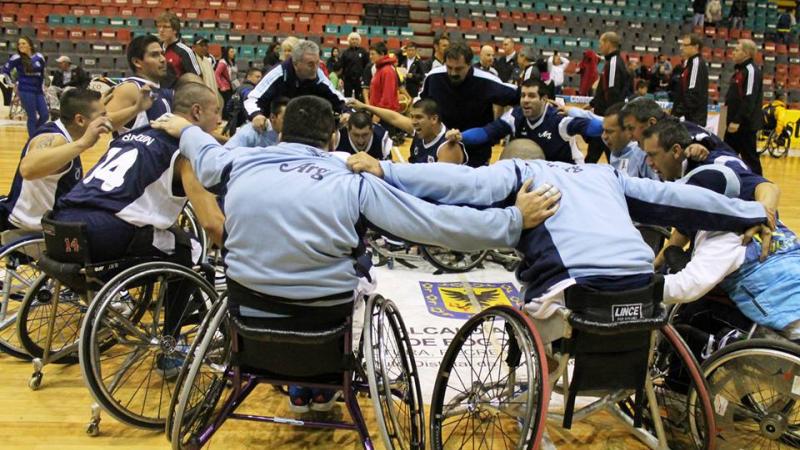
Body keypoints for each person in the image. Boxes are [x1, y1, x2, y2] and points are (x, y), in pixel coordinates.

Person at [151, 94, 556, 412]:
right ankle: (318, 382)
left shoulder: (238, 163)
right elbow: (434, 224)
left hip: (249, 322)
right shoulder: (350, 178)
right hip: (324, 327)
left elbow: (202, 151)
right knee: (363, 271)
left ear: (280, 134)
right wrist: (513, 221)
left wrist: (185, 127)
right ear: (332, 139)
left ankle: (294, 386)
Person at [346, 136, 770, 328]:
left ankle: (541, 377)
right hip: (643, 291)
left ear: (511, 159)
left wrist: (388, 169)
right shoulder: (606, 174)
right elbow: (679, 198)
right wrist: (748, 212)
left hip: (576, 295)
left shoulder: (517, 172)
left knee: (533, 314)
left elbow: (459, 182)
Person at [663, 168, 800, 340]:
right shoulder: (768, 219)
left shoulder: (721, 234)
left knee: (692, 317)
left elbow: (686, 287)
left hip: (790, 320)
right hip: (790, 294)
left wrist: (639, 287)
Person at [0, 89, 111, 232]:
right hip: (32, 229)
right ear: (80, 120)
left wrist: (137, 107)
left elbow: (105, 120)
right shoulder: (55, 139)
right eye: (103, 115)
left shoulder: (65, 130)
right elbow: (27, 169)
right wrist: (83, 143)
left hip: (41, 221)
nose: (107, 119)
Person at [419, 41, 520, 167]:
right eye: (449, 68)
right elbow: (420, 105)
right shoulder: (434, 77)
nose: (453, 73)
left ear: (469, 64)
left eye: (459, 69)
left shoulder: (487, 81)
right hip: (442, 148)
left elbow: (521, 98)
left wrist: (498, 127)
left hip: (476, 151)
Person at [455, 78, 600, 164]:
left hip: (567, 173)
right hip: (535, 175)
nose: (525, 100)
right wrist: (461, 136)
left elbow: (589, 126)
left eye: (531, 96)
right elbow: (486, 132)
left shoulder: (558, 118)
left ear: (543, 99)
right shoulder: (515, 117)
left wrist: (606, 125)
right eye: (523, 95)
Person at [244, 40, 346, 134]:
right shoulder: (278, 73)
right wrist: (256, 115)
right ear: (296, 64)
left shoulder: (318, 75)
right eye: (310, 64)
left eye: (317, 63)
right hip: (271, 131)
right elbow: (252, 98)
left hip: (302, 131)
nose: (315, 68)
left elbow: (339, 99)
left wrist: (347, 112)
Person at [348, 97, 467, 164]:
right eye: (412, 117)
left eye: (419, 117)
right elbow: (395, 118)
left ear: (434, 119)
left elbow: (439, 186)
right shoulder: (421, 130)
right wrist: (365, 106)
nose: (414, 122)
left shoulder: (448, 147)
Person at [104, 34, 173, 137]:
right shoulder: (130, 88)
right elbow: (104, 123)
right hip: (131, 150)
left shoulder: (161, 88)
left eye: (162, 54)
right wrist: (136, 109)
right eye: (154, 55)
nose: (163, 59)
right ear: (137, 62)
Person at [724, 39, 764, 175]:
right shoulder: (739, 70)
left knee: (750, 159)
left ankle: (759, 187)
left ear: (746, 53)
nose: (733, 53)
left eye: (736, 50)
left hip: (744, 125)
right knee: (727, 155)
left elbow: (749, 99)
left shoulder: (751, 71)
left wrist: (737, 121)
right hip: (734, 124)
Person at [2, 37, 48, 136]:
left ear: (30, 45)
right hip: (25, 90)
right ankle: (33, 140)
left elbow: (43, 73)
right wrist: (13, 85)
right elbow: (5, 71)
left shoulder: (39, 57)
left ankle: (36, 135)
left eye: (23, 43)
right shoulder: (17, 58)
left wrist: (43, 87)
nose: (21, 46)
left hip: (38, 91)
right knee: (32, 117)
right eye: (19, 44)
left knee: (45, 115)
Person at [156, 12, 202, 88]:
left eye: (166, 27)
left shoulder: (185, 51)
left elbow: (196, 79)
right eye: (159, 26)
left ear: (175, 30)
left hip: (177, 97)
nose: (161, 30)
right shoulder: (156, 49)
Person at [672, 34, 709, 127]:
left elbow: (693, 93)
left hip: (694, 119)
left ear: (696, 47)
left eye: (685, 45)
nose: (681, 48)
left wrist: (677, 113)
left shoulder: (696, 63)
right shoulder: (690, 63)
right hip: (689, 116)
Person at [222, 67, 262, 136]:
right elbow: (248, 99)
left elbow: (229, 106)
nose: (260, 79)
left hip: (232, 125)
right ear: (249, 77)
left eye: (261, 77)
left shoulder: (239, 88)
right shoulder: (250, 89)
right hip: (243, 126)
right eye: (257, 77)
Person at [368, 42, 399, 112]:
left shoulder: (387, 71)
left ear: (382, 54)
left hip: (383, 114)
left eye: (373, 54)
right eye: (370, 54)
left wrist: (378, 115)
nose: (370, 56)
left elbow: (387, 97)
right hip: (377, 111)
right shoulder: (379, 69)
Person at [339, 33, 370, 101]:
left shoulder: (363, 51)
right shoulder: (345, 53)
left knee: (359, 98)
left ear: (359, 41)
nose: (354, 41)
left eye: (356, 39)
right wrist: (341, 78)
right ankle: (348, 110)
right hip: (348, 79)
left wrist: (365, 77)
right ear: (349, 41)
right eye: (352, 39)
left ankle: (359, 111)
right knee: (347, 98)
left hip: (359, 79)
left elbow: (367, 65)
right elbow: (342, 66)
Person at [192, 37, 221, 104]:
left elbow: (212, 81)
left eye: (206, 45)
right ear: (193, 47)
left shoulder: (207, 61)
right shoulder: (192, 61)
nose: (204, 48)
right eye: (201, 45)